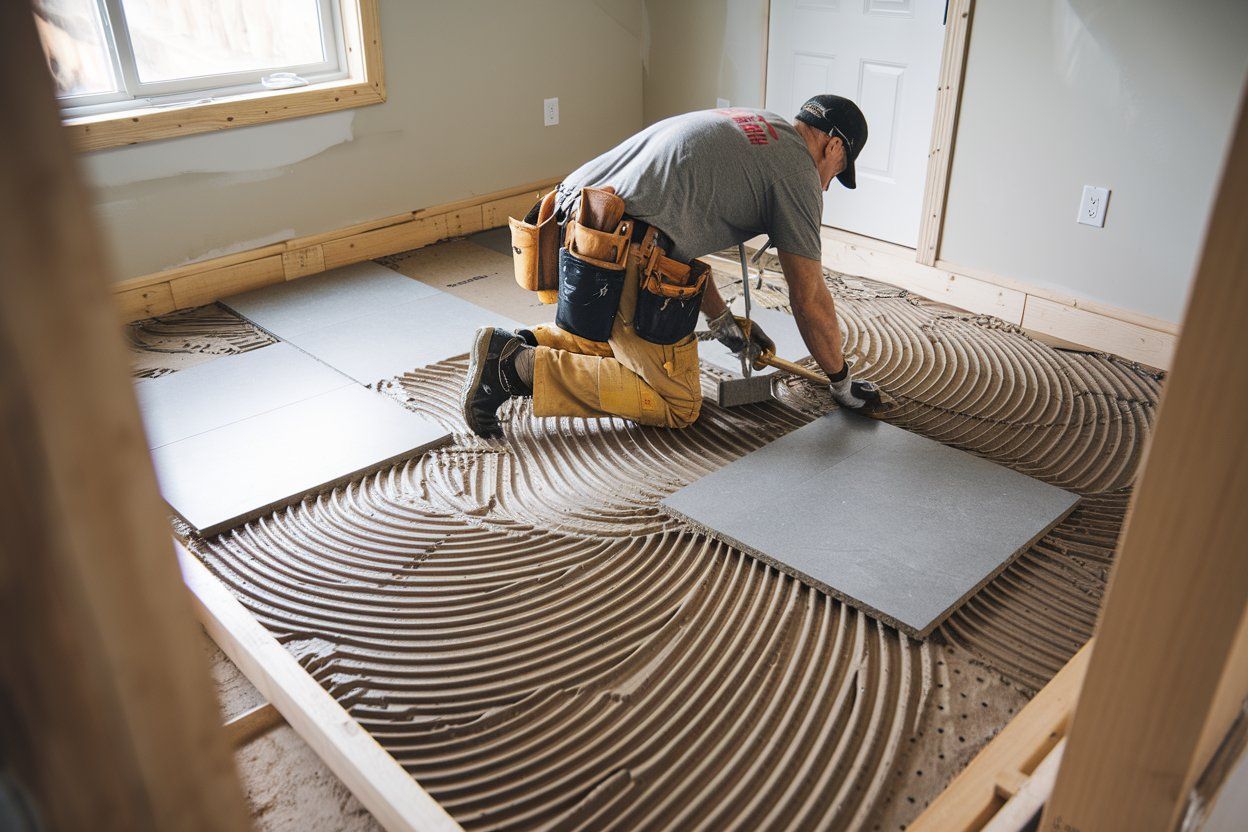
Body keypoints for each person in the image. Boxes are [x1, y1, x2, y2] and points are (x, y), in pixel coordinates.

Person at [461, 94, 883, 439]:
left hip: (576, 220)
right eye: (837, 172)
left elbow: (680, 229)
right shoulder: (799, 174)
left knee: (624, 344)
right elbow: (809, 299)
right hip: (621, 240)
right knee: (678, 403)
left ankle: (516, 342)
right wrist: (841, 381)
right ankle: (514, 369)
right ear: (833, 146)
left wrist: (721, 320)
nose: (827, 184)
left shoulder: (758, 125)